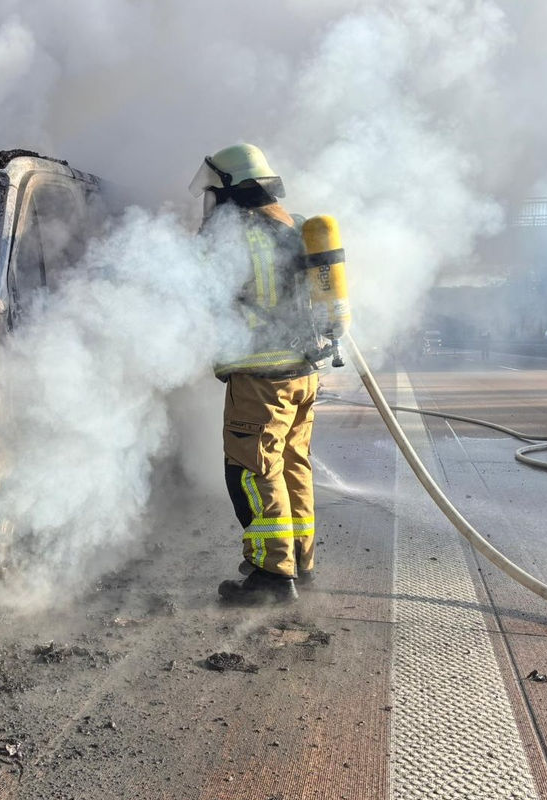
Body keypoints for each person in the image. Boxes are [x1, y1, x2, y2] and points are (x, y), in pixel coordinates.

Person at [190, 143, 332, 606]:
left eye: (215, 192)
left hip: (261, 377)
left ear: (235, 189)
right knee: (293, 467)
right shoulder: (293, 225)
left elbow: (200, 291)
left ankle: (271, 577)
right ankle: (298, 562)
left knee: (253, 472)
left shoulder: (235, 233)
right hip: (303, 375)